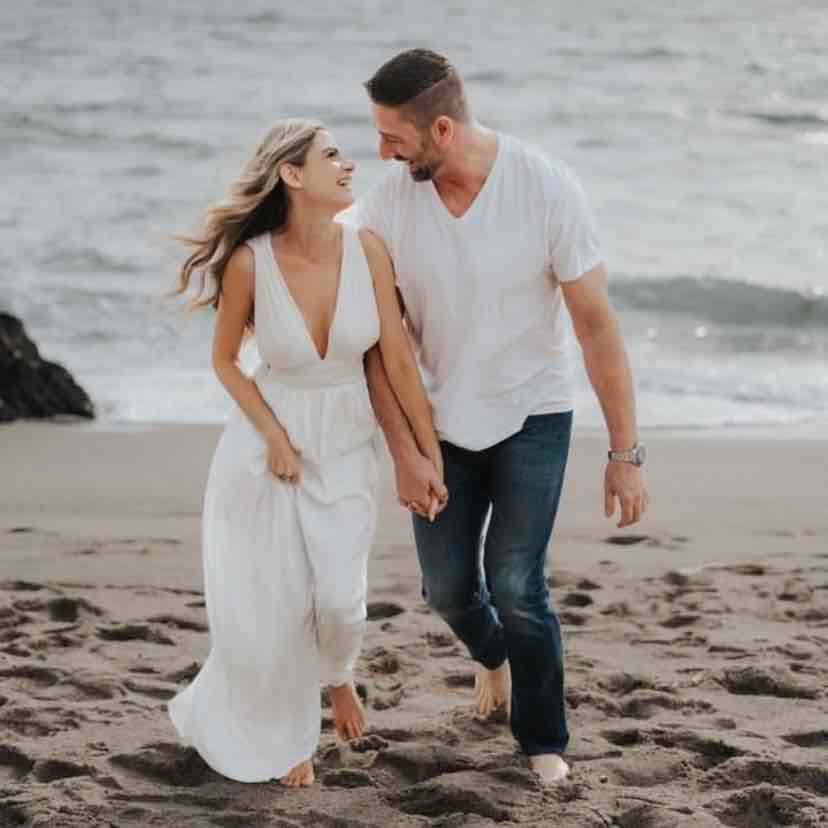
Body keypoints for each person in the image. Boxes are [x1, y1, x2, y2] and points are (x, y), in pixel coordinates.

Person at [351, 49, 649, 785]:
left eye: (393, 137)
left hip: (532, 411)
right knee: (447, 590)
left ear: (442, 129)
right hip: (438, 422)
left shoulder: (545, 187)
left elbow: (596, 327)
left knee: (516, 582)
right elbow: (376, 343)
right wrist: (405, 452)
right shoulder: (388, 203)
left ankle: (543, 741)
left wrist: (625, 453)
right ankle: (493, 658)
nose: (382, 153)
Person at [167, 119, 445, 787]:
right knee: (278, 603)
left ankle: (338, 675)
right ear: (293, 175)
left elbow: (397, 362)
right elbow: (226, 361)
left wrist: (426, 453)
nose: (349, 165)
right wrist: (273, 437)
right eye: (332, 156)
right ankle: (292, 735)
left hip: (346, 438)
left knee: (342, 600)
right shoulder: (250, 262)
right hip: (267, 445)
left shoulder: (367, 251)